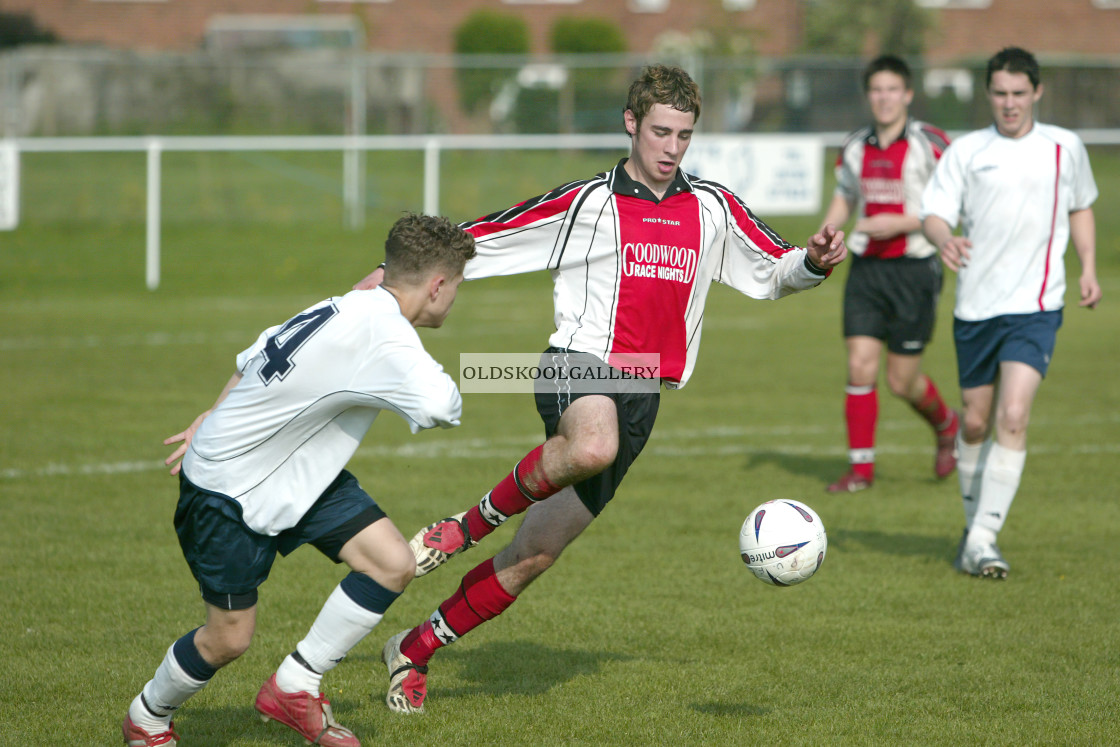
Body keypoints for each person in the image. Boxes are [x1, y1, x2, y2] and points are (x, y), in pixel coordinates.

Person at [353, 64, 848, 714]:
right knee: (591, 445)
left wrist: (812, 261)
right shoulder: (588, 202)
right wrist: (363, 295)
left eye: (684, 135)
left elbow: (773, 268)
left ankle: (415, 647)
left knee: (533, 555)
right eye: (661, 131)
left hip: (644, 396)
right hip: (576, 366)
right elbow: (478, 240)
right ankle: (460, 527)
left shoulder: (713, 208)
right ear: (631, 124)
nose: (672, 147)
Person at [121, 213, 476, 746]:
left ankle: (295, 686)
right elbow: (442, 405)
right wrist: (216, 426)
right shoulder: (384, 332)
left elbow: (252, 358)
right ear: (437, 285)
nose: (454, 299)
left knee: (391, 563)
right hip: (230, 491)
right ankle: (147, 717)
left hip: (296, 471)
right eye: (457, 287)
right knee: (228, 638)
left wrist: (214, 416)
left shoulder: (345, 304)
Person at [921, 47, 1101, 579]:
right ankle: (974, 530)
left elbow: (1081, 205)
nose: (1009, 103)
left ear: (1037, 93)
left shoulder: (1064, 147)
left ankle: (982, 538)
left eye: (1019, 93)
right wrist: (944, 239)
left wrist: (1088, 264)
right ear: (988, 95)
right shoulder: (968, 151)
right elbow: (934, 212)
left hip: (1037, 306)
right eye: (1000, 93)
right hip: (976, 306)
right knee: (975, 422)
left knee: (1013, 416)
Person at [821, 54, 958, 494]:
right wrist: (828, 230)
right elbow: (845, 194)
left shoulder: (931, 143)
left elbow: (953, 202)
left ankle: (946, 426)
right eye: (876, 90)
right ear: (869, 95)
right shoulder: (855, 145)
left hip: (915, 271)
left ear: (908, 94)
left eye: (892, 89)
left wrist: (900, 223)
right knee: (860, 366)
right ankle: (860, 471)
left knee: (903, 381)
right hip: (866, 270)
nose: (884, 98)